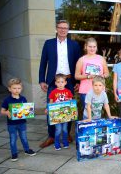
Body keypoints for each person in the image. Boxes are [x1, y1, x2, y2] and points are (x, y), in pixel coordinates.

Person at [39, 20, 81, 148]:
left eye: (65, 28)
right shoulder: (49, 44)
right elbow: (43, 63)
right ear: (56, 29)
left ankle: (66, 134)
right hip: (53, 81)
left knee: (67, 108)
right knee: (52, 109)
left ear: (68, 30)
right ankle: (51, 136)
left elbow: (78, 64)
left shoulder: (74, 45)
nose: (63, 30)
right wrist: (42, 80)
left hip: (69, 81)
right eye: (60, 27)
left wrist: (78, 81)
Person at [0, 78, 36, 161]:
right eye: (14, 88)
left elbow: (26, 109)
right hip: (11, 124)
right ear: (9, 89)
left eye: (19, 88)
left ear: (21, 89)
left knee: (24, 137)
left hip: (22, 122)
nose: (17, 90)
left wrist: (29, 111)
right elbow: (2, 111)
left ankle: (27, 150)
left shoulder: (23, 99)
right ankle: (14, 153)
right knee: (13, 138)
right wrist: (7, 112)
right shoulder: (7, 100)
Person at [75, 37, 109, 117]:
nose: (92, 48)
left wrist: (101, 76)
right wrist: (87, 76)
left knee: (97, 112)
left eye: (94, 46)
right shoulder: (81, 60)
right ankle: (87, 128)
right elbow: (76, 76)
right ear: (85, 47)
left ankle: (96, 129)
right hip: (85, 90)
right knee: (87, 113)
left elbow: (107, 73)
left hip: (99, 90)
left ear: (96, 47)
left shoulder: (101, 59)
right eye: (90, 46)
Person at [48, 74, 73, 150]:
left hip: (65, 114)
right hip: (57, 114)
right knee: (58, 130)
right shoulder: (53, 92)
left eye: (62, 82)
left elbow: (71, 102)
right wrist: (48, 109)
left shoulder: (68, 92)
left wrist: (70, 104)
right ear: (55, 83)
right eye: (58, 82)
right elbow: (51, 102)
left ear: (65, 82)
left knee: (65, 129)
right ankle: (56, 143)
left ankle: (65, 142)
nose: (60, 84)